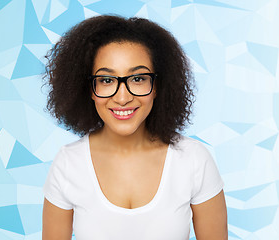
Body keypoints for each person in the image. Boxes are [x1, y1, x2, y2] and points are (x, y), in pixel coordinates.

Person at [42, 15, 227, 240]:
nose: (122, 97)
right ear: (90, 89)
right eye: (107, 80)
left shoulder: (194, 160)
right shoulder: (68, 163)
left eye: (138, 79)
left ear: (157, 86)